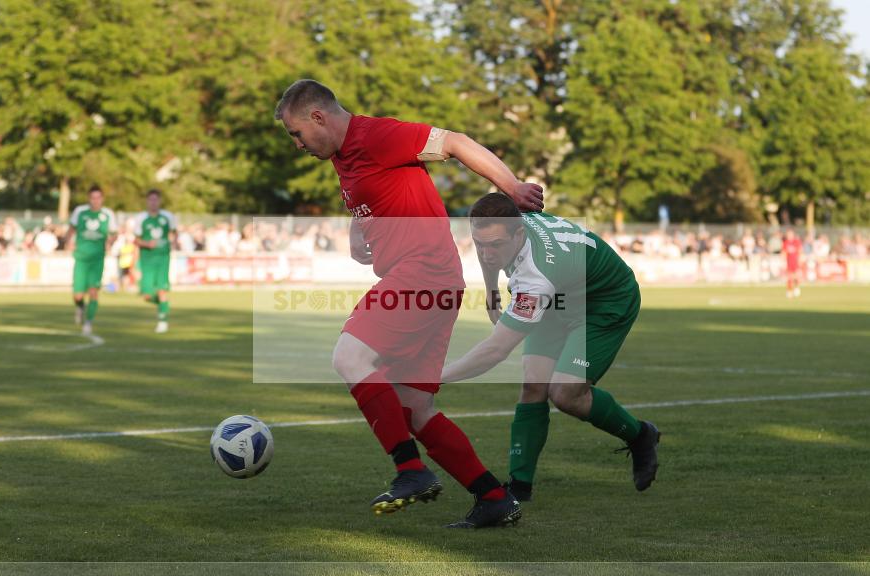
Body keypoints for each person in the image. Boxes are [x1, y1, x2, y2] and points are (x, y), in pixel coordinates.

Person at [275, 79, 543, 528]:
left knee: (350, 356)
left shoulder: (374, 135)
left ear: (317, 117)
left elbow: (455, 142)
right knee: (413, 407)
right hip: (434, 282)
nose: (297, 144)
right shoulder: (343, 157)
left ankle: (410, 470)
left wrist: (512, 187)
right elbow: (367, 200)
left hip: (423, 274)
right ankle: (494, 498)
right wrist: (358, 233)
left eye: (296, 133)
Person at [441, 192, 661, 502]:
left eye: (496, 246)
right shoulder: (510, 222)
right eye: (480, 244)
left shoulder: (536, 278)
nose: (487, 254)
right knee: (533, 384)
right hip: (561, 297)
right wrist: (492, 293)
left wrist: (438, 376)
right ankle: (519, 487)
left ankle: (641, 435)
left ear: (519, 233)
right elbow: (488, 250)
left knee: (566, 394)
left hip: (604, 302)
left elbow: (495, 350)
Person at [66, 185, 117, 335]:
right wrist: (68, 241)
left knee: (94, 291)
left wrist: (110, 241)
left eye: (98, 198)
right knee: (78, 295)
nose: (95, 201)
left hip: (97, 259)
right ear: (89, 199)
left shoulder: (107, 214)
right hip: (81, 258)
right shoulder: (80, 212)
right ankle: (80, 306)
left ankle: (88, 323)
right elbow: (72, 229)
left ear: (102, 199)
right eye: (93, 198)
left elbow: (114, 233)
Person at [134, 189, 176, 333]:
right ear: (147, 201)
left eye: (156, 200)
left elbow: (174, 233)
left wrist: (173, 242)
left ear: (159, 201)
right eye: (150, 200)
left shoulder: (167, 217)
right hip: (147, 260)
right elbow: (136, 240)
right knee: (147, 295)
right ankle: (164, 305)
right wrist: (147, 244)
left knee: (162, 290)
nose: (153, 202)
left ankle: (163, 321)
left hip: (163, 258)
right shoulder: (141, 218)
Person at [782, 229, 802, 298]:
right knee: (789, 277)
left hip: (795, 262)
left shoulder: (796, 242)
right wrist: (783, 261)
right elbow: (784, 253)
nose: (789, 236)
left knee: (796, 277)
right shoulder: (785, 242)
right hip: (789, 262)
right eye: (788, 235)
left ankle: (796, 288)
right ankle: (789, 291)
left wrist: (800, 260)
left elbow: (800, 251)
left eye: (790, 234)